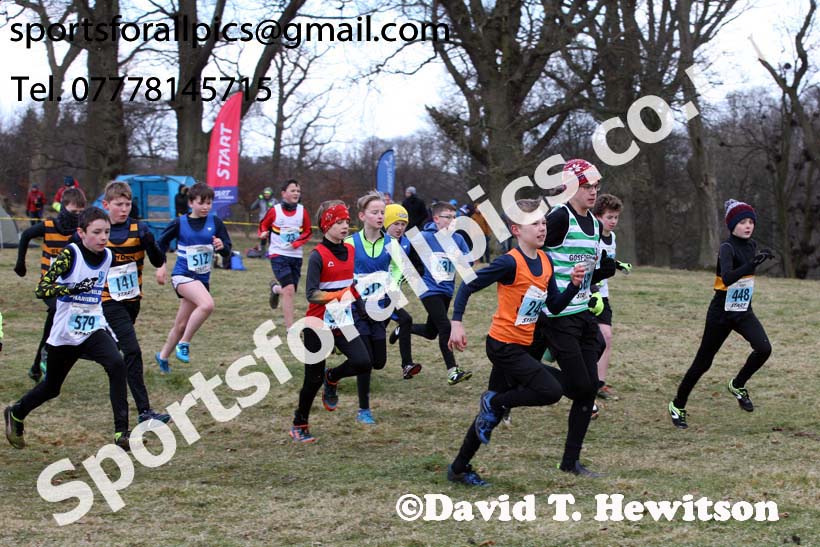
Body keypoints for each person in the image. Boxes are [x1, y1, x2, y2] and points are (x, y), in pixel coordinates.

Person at [446, 199, 585, 486]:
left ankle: (459, 467)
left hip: (521, 346)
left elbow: (555, 306)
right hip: (502, 345)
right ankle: (494, 401)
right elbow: (468, 285)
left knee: (490, 416)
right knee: (550, 391)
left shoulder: (545, 261)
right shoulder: (509, 262)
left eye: (544, 222)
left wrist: (573, 284)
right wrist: (456, 322)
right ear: (516, 230)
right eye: (534, 223)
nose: (542, 227)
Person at [4, 207, 131, 450]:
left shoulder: (108, 256)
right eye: (97, 232)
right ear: (81, 233)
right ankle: (16, 413)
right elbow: (42, 289)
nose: (103, 237)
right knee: (52, 387)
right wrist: (71, 290)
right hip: (64, 333)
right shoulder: (70, 255)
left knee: (116, 363)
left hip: (93, 327)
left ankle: (121, 433)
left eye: (107, 231)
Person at [532, 158, 617, 477]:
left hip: (582, 313)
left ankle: (571, 461)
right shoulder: (558, 218)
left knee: (589, 384)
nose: (593, 192)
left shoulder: (595, 225)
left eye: (596, 185)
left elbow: (591, 268)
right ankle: (521, 370)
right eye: (586, 186)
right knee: (583, 386)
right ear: (569, 187)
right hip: (557, 315)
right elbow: (535, 254)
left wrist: (604, 271)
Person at [668, 199, 775, 429]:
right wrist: (752, 264)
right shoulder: (727, 247)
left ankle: (738, 384)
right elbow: (726, 277)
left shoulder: (751, 245)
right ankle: (677, 404)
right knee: (703, 363)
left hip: (743, 310)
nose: (748, 226)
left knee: (764, 349)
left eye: (751, 222)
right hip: (721, 313)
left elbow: (746, 276)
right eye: (743, 222)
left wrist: (757, 259)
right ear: (732, 225)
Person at [288, 200, 373, 443]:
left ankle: (332, 377)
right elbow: (311, 294)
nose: (345, 226)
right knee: (311, 380)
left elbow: (350, 284)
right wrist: (338, 296)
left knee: (364, 362)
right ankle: (299, 424)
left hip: (343, 321)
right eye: (339, 222)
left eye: (347, 221)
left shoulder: (351, 251)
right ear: (326, 225)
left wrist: (360, 305)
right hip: (317, 324)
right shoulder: (318, 256)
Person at [99, 182, 171, 424]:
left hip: (132, 301)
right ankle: (144, 412)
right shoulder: (101, 231)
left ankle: (70, 351)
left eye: (128, 204)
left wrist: (150, 242)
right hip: (108, 301)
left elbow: (158, 260)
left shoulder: (139, 228)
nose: (124, 209)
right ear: (106, 205)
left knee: (115, 352)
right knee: (132, 351)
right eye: (119, 205)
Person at [155, 183, 232, 372]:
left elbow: (227, 251)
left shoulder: (216, 223)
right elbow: (160, 244)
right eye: (201, 202)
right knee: (207, 305)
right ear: (191, 203)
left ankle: (163, 356)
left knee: (181, 324)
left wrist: (222, 246)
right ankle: (184, 343)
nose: (206, 206)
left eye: (209, 202)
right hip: (182, 276)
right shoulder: (179, 222)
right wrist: (161, 266)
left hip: (201, 280)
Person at [14, 188, 87, 382]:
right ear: (63, 208)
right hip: (49, 285)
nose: (77, 216)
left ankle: (37, 365)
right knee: (55, 310)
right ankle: (46, 355)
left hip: (71, 286)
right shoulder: (48, 226)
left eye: (81, 213)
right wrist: (21, 263)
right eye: (74, 212)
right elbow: (26, 235)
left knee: (55, 323)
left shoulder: (81, 232)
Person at [409, 201, 473, 386]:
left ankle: (404, 328)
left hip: (446, 290)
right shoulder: (424, 237)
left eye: (454, 218)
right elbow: (404, 253)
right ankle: (453, 371)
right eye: (448, 217)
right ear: (436, 219)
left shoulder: (458, 239)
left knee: (431, 332)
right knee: (445, 327)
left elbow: (468, 264)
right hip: (428, 290)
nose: (452, 221)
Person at [344, 191, 391, 424]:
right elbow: (342, 277)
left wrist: (393, 292)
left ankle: (331, 375)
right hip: (356, 310)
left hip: (379, 309)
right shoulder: (350, 243)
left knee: (378, 361)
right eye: (375, 212)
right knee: (365, 363)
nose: (380, 216)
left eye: (382, 212)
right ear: (362, 216)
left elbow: (399, 271)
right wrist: (357, 302)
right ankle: (364, 410)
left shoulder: (391, 243)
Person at [591, 194, 632, 401]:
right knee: (589, 339)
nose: (613, 221)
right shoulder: (590, 234)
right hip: (587, 293)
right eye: (609, 217)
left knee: (606, 337)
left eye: (616, 217)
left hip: (603, 294)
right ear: (598, 216)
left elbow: (606, 260)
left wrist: (618, 265)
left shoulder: (612, 238)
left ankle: (599, 383)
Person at [259, 179, 312, 329]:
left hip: (296, 256)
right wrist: (262, 232)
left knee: (290, 290)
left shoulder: (303, 211)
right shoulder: (275, 210)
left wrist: (297, 242)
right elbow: (264, 224)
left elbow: (308, 231)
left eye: (298, 191)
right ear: (283, 194)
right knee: (289, 290)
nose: (296, 193)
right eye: (293, 190)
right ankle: (291, 328)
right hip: (278, 254)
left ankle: (275, 289)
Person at [384, 204, 422, 380]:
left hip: (392, 295)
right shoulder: (379, 242)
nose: (400, 228)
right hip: (374, 297)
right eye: (395, 224)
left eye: (403, 224)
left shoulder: (406, 242)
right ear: (386, 223)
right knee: (372, 334)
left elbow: (416, 267)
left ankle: (407, 365)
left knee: (406, 320)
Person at [250, 187, 278, 251]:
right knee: (263, 238)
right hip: (263, 223)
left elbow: (279, 210)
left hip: (273, 222)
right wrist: (258, 199)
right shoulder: (261, 200)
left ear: (271, 194)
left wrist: (272, 207)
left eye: (268, 193)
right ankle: (262, 254)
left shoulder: (274, 201)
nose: (266, 195)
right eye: (265, 193)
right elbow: (252, 207)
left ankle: (272, 252)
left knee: (272, 238)